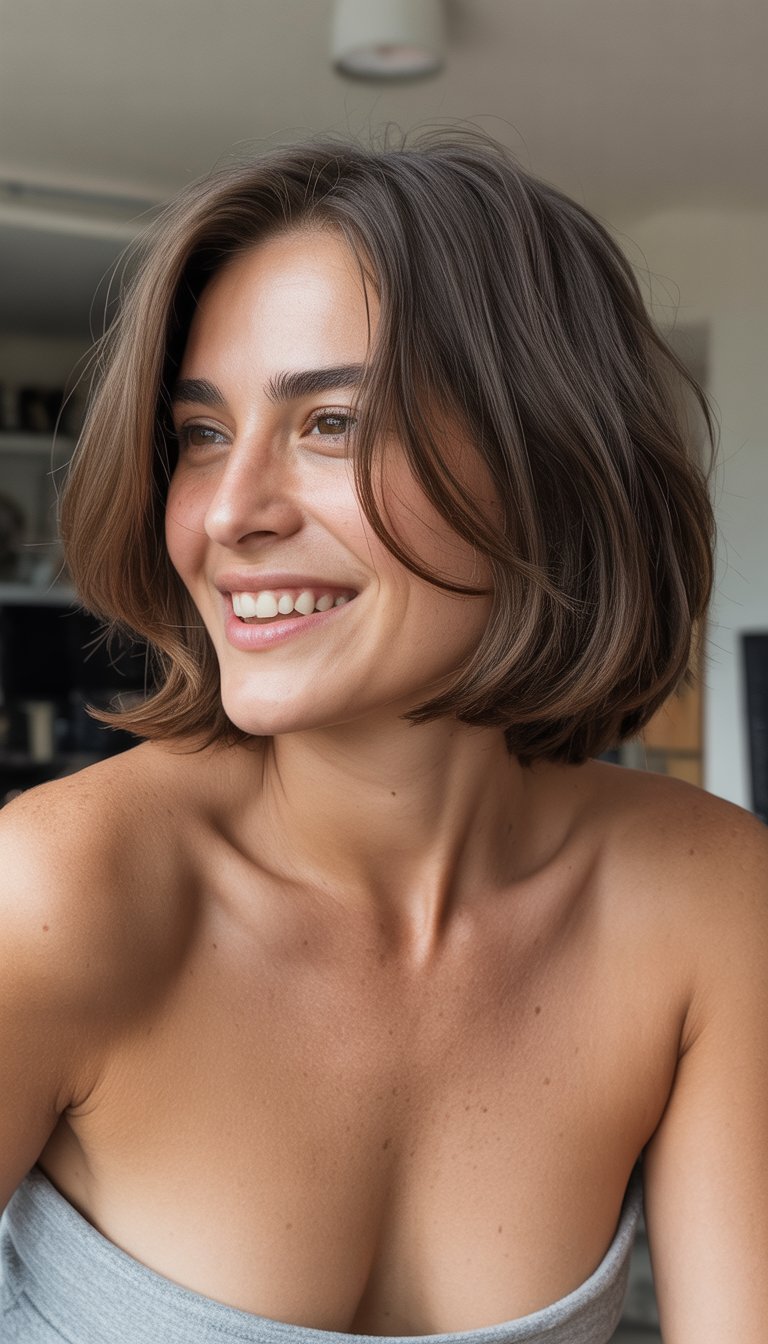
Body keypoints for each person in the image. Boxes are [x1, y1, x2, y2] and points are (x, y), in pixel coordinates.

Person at [1, 127, 766, 1344]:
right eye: (201, 435)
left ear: (547, 459)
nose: (230, 512)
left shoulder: (709, 900)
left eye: (332, 422)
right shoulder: (57, 892)